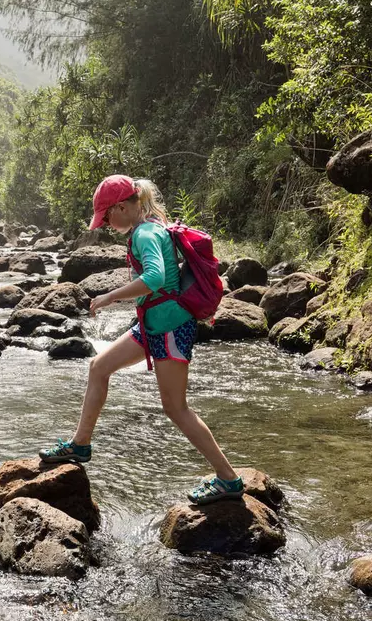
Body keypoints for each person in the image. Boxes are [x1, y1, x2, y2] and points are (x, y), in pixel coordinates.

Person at [38, 174, 245, 505]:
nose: (105, 223)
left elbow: (155, 277)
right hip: (153, 326)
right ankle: (81, 444)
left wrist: (109, 297)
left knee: (176, 408)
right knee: (99, 366)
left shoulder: (145, 233)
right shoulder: (148, 226)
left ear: (121, 207)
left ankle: (228, 478)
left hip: (170, 327)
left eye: (106, 216)